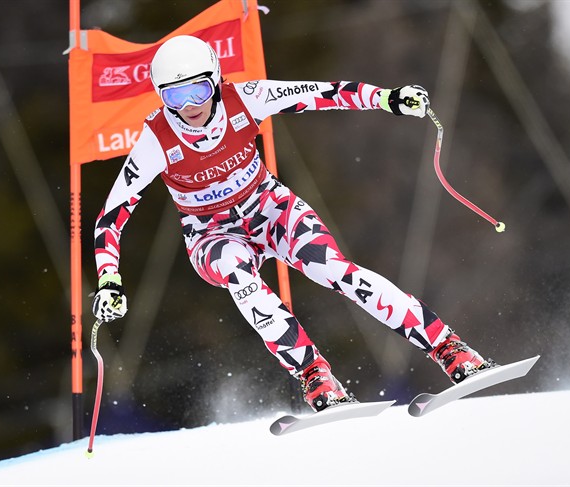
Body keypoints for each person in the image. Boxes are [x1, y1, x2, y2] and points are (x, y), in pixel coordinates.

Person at [92, 35, 496, 412]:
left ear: (215, 80)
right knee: (241, 278)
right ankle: (315, 376)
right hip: (211, 234)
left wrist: (388, 98)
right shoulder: (155, 140)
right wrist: (109, 278)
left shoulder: (247, 98)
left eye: (197, 90)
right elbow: (111, 216)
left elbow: (324, 93)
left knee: (338, 272)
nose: (190, 106)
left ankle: (449, 347)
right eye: (174, 96)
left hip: (270, 208)